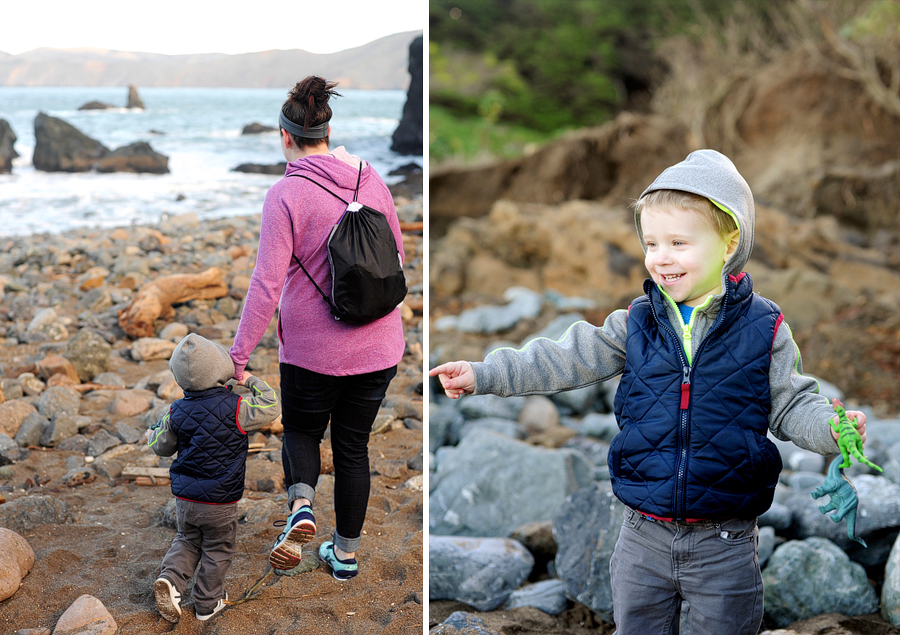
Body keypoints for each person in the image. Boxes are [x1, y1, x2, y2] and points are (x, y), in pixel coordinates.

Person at [429, 149, 867, 635]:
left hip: (725, 540)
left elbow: (792, 404)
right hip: (642, 532)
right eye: (652, 242)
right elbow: (561, 358)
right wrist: (484, 373)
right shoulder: (635, 322)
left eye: (679, 242)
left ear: (729, 242)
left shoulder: (764, 327)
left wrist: (832, 428)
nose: (662, 257)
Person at [229, 76, 405, 580]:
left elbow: (265, 286)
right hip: (379, 345)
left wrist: (238, 358)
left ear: (285, 137)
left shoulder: (286, 194)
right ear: (328, 130)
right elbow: (394, 255)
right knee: (354, 447)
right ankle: (344, 556)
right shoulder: (372, 180)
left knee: (303, 430)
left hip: (311, 351)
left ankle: (301, 507)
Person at [147, 333, 281, 622]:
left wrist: (151, 433)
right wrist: (249, 381)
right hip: (221, 501)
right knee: (218, 548)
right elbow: (272, 405)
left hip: (186, 499)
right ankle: (207, 604)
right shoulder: (238, 408)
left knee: (186, 541)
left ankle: (171, 580)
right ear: (222, 369)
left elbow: (161, 446)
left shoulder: (176, 411)